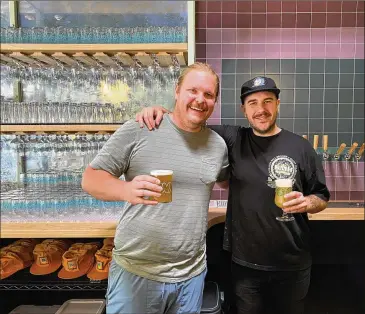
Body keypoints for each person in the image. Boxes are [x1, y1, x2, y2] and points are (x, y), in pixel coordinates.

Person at [135, 75, 330, 314]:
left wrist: (308, 202)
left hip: (293, 263)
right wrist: (159, 111)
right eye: (253, 103)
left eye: (268, 101)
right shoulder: (233, 138)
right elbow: (188, 122)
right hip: (245, 265)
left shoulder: (300, 147)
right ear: (243, 109)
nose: (261, 109)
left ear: (278, 104)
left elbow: (321, 196)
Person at [82, 62, 229, 314]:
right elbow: (90, 179)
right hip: (137, 272)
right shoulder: (141, 128)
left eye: (208, 94)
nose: (200, 100)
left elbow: (227, 181)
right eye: (192, 91)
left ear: (215, 101)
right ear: (177, 91)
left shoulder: (218, 145)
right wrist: (125, 190)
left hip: (191, 276)